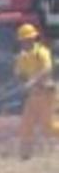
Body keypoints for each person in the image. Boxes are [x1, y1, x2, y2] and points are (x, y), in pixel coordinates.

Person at [16, 23, 58, 160]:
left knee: (49, 128)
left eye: (27, 39)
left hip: (47, 94)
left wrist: (33, 81)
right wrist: (22, 84)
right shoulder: (21, 57)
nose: (24, 42)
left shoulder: (42, 52)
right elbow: (20, 75)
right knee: (26, 126)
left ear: (32, 39)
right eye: (22, 40)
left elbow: (47, 69)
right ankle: (25, 156)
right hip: (32, 97)